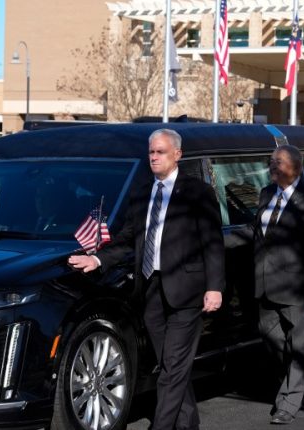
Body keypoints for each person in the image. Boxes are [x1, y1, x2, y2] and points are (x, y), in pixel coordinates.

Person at [68, 128, 224, 430]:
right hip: (150, 290)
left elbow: (213, 244)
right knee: (171, 365)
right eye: (151, 152)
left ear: (177, 155)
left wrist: (215, 287)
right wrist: (97, 258)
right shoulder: (142, 192)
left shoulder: (197, 193)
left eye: (160, 152)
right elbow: (129, 239)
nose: (154, 157)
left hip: (187, 293)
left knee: (173, 368)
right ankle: (188, 423)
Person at [252, 145, 304, 425]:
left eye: (279, 162)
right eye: (272, 162)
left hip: (297, 285)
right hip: (265, 284)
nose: (273, 166)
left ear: (296, 167)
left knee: (298, 344)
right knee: (269, 334)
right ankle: (303, 382)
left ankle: (289, 400)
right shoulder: (265, 194)